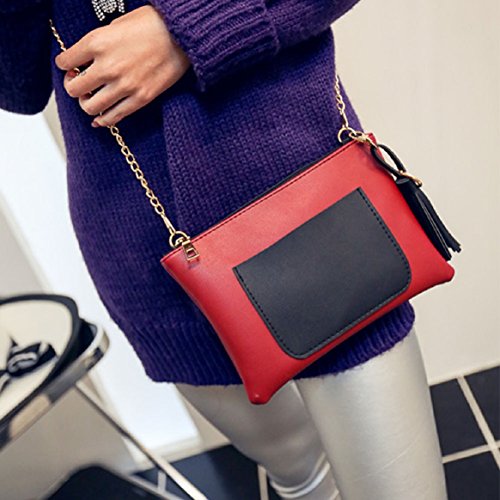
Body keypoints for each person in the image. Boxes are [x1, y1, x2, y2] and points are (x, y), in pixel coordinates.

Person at [0, 1, 447, 498]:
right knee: (300, 476)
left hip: (303, 197)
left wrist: (183, 31)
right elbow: (18, 83)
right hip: (138, 241)